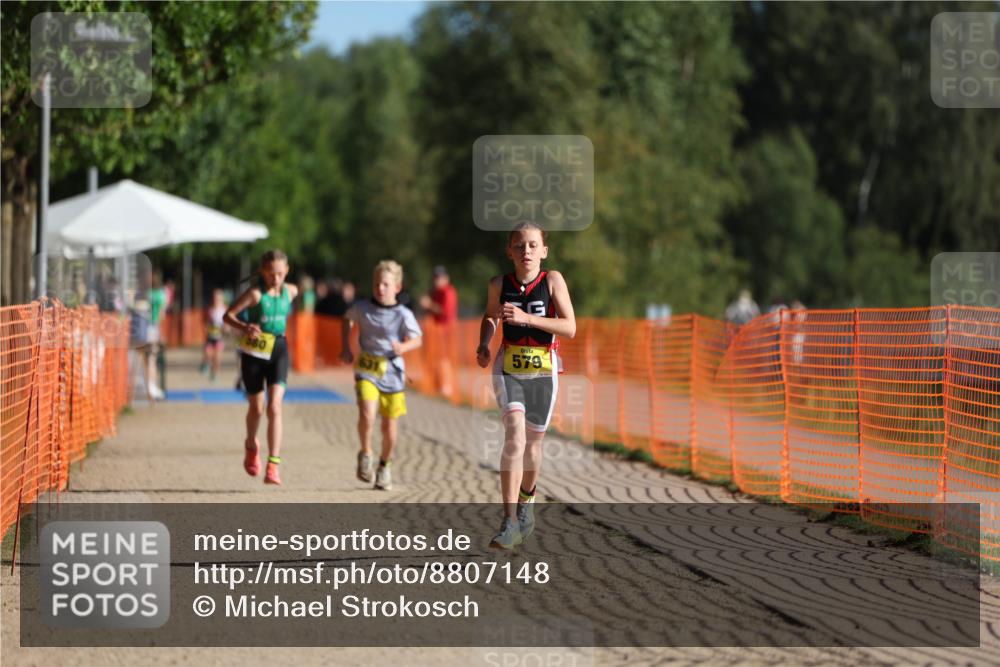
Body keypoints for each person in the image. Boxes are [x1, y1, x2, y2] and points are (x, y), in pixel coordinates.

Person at [476, 222, 576, 550]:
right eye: (519, 246)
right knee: (514, 435)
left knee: (533, 445)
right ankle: (508, 521)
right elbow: (491, 316)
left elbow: (570, 327)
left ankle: (525, 504)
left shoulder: (553, 281)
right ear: (509, 252)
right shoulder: (498, 284)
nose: (526, 252)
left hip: (545, 370)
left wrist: (527, 319)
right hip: (509, 366)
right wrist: (485, 343)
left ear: (544, 251)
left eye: (533, 245)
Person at [340, 260, 422, 491]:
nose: (380, 288)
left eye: (386, 284)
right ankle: (366, 453)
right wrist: (345, 346)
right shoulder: (363, 307)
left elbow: (418, 339)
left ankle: (384, 467)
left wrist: (403, 348)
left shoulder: (403, 314)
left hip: (393, 373)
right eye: (377, 283)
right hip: (367, 369)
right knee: (367, 413)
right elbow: (347, 318)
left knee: (389, 426)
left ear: (397, 287)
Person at [224, 250, 299, 486]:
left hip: (278, 350)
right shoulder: (255, 294)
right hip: (254, 354)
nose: (275, 279)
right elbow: (228, 316)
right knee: (257, 408)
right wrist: (245, 326)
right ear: (262, 272)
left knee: (275, 407)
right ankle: (250, 445)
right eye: (270, 273)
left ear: (286, 271)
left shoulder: (292, 291)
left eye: (279, 274)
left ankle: (273, 465)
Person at [419, 265, 459, 397]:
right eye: (435, 277)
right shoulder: (435, 292)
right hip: (436, 332)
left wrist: (429, 304)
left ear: (446, 278)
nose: (437, 280)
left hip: (446, 332)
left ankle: (446, 387)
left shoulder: (448, 292)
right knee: (436, 359)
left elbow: (445, 313)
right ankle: (438, 385)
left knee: (444, 359)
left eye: (440, 277)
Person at [201, 289, 228, 382]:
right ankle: (205, 364)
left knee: (217, 358)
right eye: (215, 298)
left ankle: (214, 374)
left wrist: (226, 328)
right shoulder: (210, 309)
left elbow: (228, 323)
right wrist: (206, 327)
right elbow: (205, 321)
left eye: (218, 298)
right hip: (210, 336)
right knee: (208, 353)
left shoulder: (224, 309)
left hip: (219, 337)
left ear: (222, 299)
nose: (216, 300)